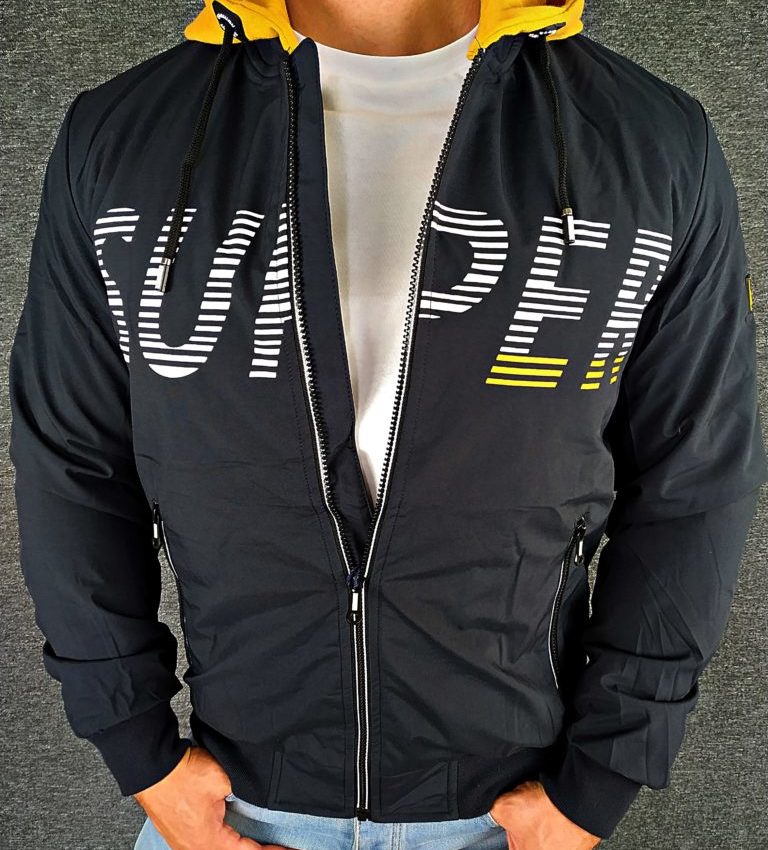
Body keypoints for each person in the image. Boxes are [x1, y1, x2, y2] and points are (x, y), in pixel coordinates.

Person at [8, 0, 767, 848]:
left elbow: (695, 475)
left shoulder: (651, 139)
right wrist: (137, 749)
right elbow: (72, 457)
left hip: (512, 815)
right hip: (233, 808)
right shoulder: (121, 133)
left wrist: (605, 777)